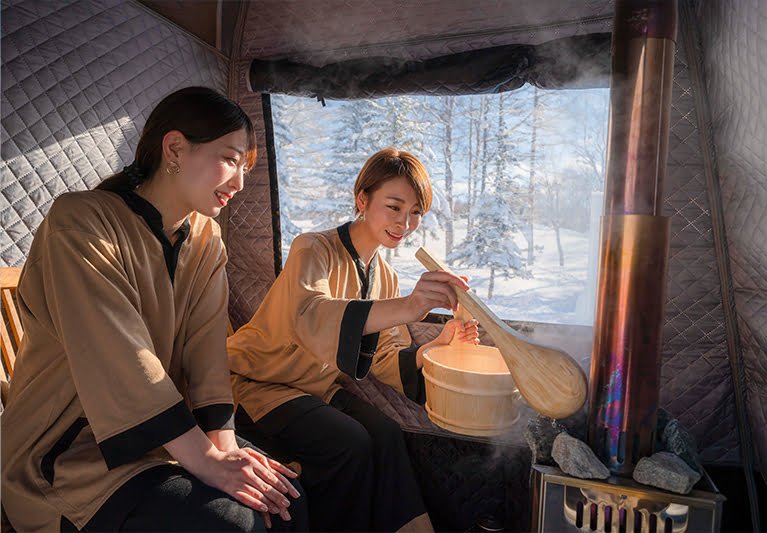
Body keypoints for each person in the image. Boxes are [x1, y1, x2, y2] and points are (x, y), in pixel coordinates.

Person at [1, 86, 307, 532]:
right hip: (66, 455)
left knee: (285, 501)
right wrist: (207, 463)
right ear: (175, 148)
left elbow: (207, 359)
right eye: (230, 159)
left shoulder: (205, 239)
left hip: (159, 438)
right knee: (232, 523)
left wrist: (224, 453)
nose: (240, 183)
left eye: (245, 167)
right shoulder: (80, 222)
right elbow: (121, 361)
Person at [228, 147, 479, 532]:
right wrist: (411, 306)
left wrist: (440, 343)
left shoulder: (386, 277)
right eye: (394, 207)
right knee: (352, 443)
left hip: (313, 388)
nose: (405, 223)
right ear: (363, 199)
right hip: (259, 380)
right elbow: (311, 315)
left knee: (387, 434)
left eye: (415, 213)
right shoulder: (312, 248)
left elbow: (384, 358)